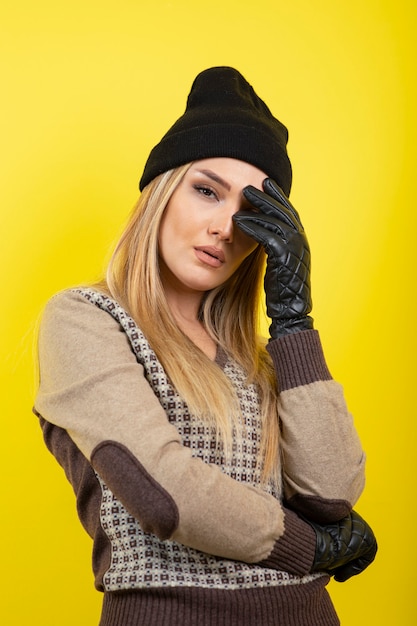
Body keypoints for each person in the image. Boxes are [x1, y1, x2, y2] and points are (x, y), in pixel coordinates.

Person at [34, 66, 377, 626]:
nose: (225, 226)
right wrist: (312, 548)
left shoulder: (259, 359)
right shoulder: (85, 320)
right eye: (205, 191)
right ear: (160, 193)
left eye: (250, 212)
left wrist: (293, 320)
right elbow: (165, 494)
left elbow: (333, 497)